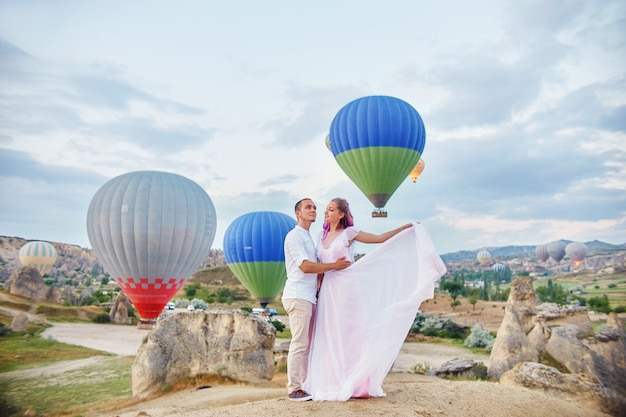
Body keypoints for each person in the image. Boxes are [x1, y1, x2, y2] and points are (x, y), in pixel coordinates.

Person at [303, 198, 447, 401]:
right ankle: (332, 381)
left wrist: (406, 228)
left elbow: (380, 239)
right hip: (328, 288)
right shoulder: (320, 235)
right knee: (330, 332)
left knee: (349, 332)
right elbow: (318, 264)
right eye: (326, 209)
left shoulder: (349, 233)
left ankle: (355, 381)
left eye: (331, 209)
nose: (326, 212)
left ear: (342, 214)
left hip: (347, 286)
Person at [282, 198, 352, 402]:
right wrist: (333, 267)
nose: (313, 210)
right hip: (298, 295)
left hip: (309, 296)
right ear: (298, 213)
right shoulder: (294, 236)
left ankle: (306, 385)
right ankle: (294, 388)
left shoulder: (309, 238)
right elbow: (305, 266)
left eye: (314, 207)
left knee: (309, 345)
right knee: (300, 343)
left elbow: (315, 270)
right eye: (307, 207)